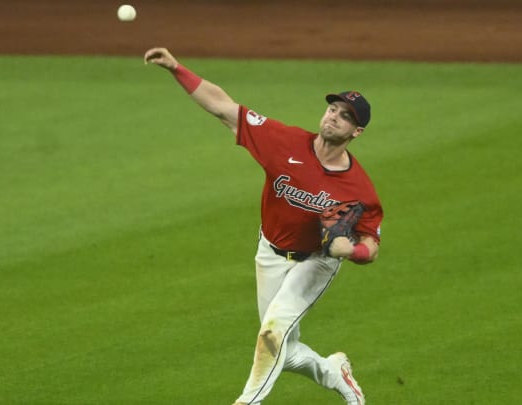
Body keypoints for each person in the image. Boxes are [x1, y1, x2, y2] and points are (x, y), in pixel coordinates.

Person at [144, 47, 383, 405]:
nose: (334, 117)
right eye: (333, 109)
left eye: (345, 116)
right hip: (269, 251)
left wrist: (354, 251)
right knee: (281, 348)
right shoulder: (283, 141)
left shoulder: (358, 188)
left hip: (315, 261)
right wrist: (177, 68)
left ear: (357, 131)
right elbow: (224, 107)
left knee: (272, 333)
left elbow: (371, 243)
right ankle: (335, 372)